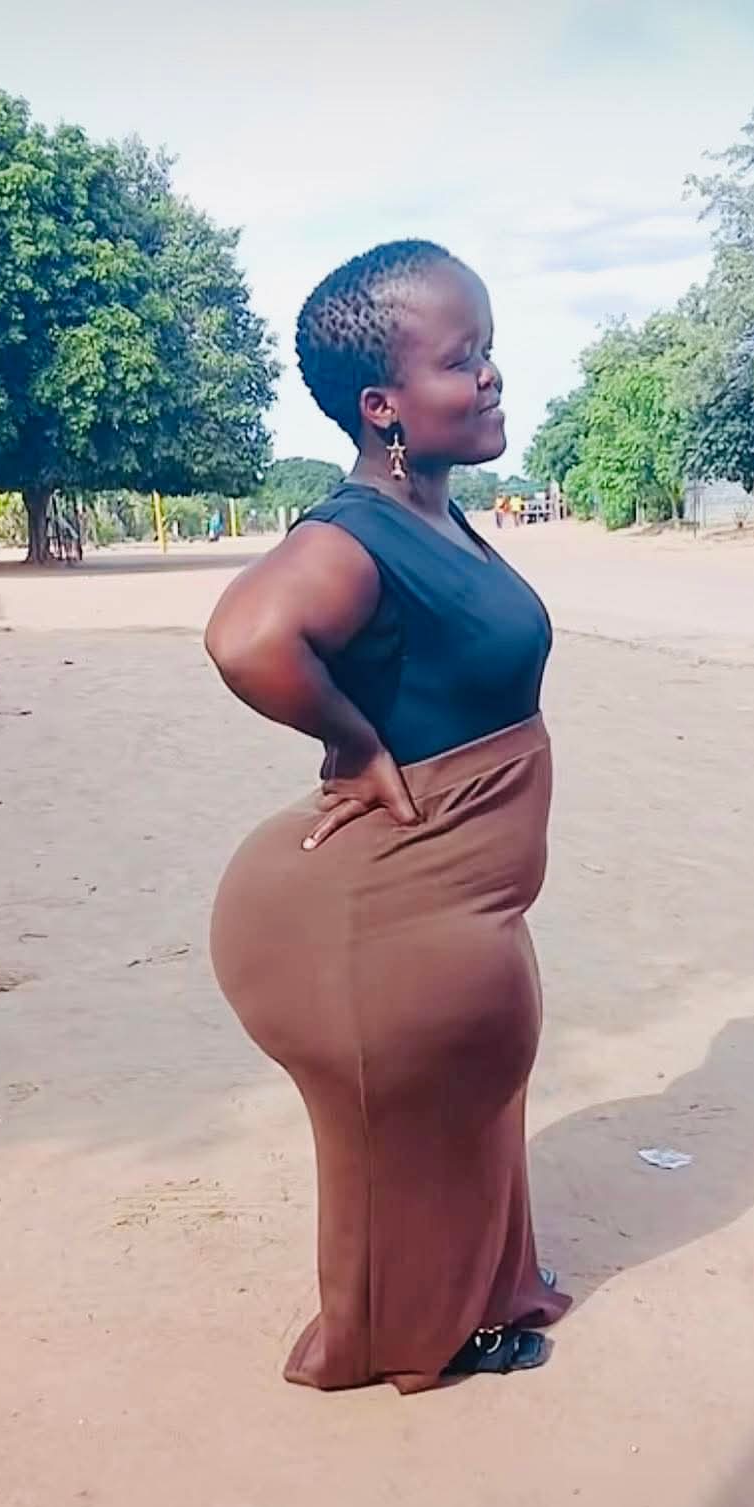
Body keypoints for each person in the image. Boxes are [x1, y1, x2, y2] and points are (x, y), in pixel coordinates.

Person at [206, 240, 570, 1393]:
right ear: (382, 406)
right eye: (461, 359)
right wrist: (353, 743)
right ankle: (409, 1341)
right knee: (409, 1138)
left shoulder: (433, 515)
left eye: (488, 349)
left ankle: (482, 1296)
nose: (491, 374)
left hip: (450, 901)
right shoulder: (353, 533)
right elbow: (246, 636)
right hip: (383, 917)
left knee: (470, 1093)